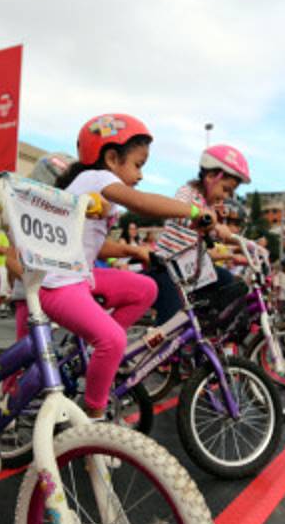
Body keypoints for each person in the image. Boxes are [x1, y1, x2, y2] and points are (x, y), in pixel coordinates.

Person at [44, 114, 214, 418]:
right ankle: (92, 414)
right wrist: (193, 210)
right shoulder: (97, 178)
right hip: (58, 281)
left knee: (144, 288)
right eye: (138, 165)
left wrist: (133, 251)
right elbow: (143, 202)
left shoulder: (96, 189)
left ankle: (99, 355)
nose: (141, 175)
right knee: (113, 338)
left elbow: (91, 243)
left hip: (81, 276)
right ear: (111, 158)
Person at [145, 143, 250, 326]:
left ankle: (205, 329)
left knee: (230, 283)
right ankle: (160, 351)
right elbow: (178, 211)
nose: (226, 196)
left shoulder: (211, 207)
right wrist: (209, 223)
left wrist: (244, 245)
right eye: (225, 189)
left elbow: (213, 236)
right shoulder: (188, 192)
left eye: (231, 193)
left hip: (191, 271)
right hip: (167, 268)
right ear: (210, 177)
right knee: (172, 322)